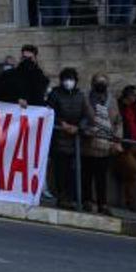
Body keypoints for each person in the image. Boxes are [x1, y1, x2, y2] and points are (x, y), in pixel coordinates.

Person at [45, 68, 94, 210]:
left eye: (71, 79)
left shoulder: (80, 96)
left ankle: (72, 198)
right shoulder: (55, 94)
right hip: (59, 139)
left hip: (76, 140)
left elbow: (88, 115)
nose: (68, 82)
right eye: (66, 79)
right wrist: (62, 124)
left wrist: (79, 127)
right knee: (61, 170)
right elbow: (50, 112)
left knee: (74, 171)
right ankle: (62, 197)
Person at [83, 74, 119, 215]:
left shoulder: (112, 101)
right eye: (98, 82)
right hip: (88, 144)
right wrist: (85, 130)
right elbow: (81, 118)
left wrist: (117, 140)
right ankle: (87, 200)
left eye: (103, 82)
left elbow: (117, 121)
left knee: (102, 178)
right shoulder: (85, 99)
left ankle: (102, 203)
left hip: (105, 145)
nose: (101, 85)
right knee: (87, 175)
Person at [115, 85, 136, 211]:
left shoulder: (134, 108)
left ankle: (130, 201)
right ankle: (130, 201)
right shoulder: (119, 107)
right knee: (133, 169)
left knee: (131, 176)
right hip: (125, 145)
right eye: (134, 95)